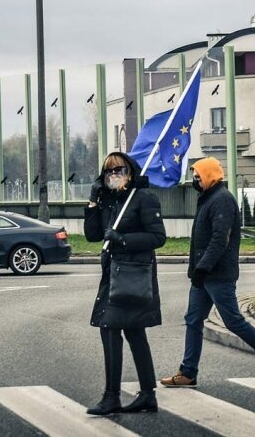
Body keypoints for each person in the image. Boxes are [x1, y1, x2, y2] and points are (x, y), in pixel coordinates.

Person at [160, 157, 255, 390]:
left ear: (210, 176)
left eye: (198, 177)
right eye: (194, 177)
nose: (195, 181)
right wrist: (199, 270)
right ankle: (188, 372)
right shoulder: (208, 198)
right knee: (193, 320)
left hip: (218, 275)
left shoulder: (222, 200)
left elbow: (221, 239)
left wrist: (203, 267)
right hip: (204, 274)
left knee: (233, 321)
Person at [84, 152, 167, 416]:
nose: (113, 175)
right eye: (108, 172)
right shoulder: (110, 200)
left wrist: (122, 239)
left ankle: (112, 397)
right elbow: (92, 235)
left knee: (111, 329)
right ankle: (146, 395)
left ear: (130, 173)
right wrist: (93, 202)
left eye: (118, 170)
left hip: (133, 273)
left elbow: (158, 237)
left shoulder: (143, 197)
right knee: (133, 332)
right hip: (114, 272)